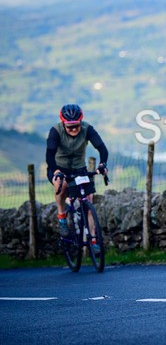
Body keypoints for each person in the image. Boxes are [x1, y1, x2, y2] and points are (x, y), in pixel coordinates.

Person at [46, 104, 109, 251]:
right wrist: (55, 171)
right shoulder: (56, 131)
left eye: (76, 126)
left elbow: (102, 148)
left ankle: (93, 241)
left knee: (88, 199)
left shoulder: (87, 129)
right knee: (62, 187)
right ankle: (62, 218)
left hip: (79, 168)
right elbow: (49, 154)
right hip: (58, 168)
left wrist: (103, 164)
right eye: (70, 127)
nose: (74, 129)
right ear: (63, 123)